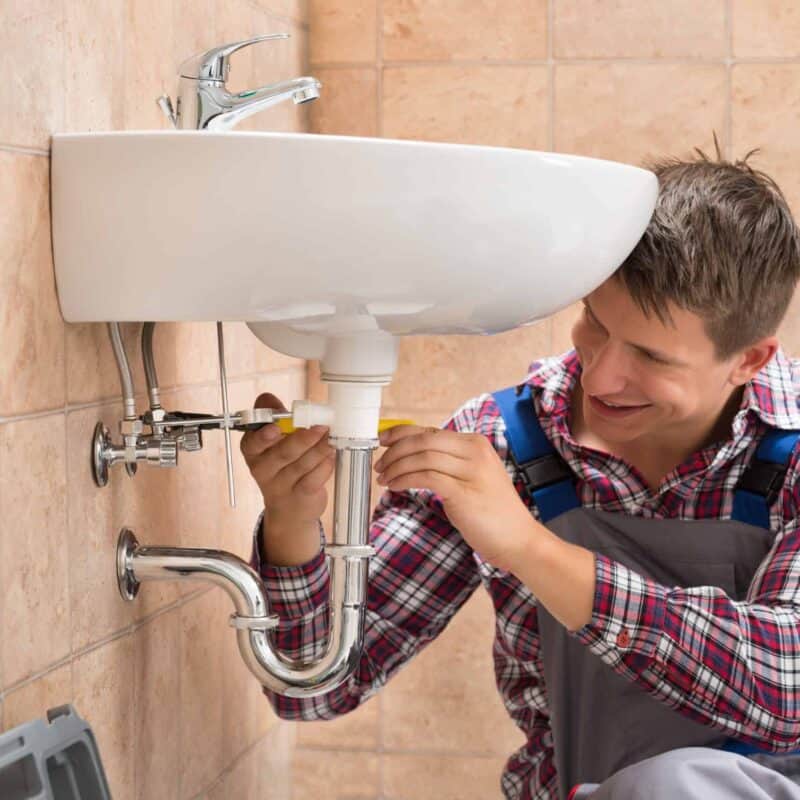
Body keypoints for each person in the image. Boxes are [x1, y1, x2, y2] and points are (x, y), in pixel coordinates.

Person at [240, 145, 800, 800]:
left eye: (651, 356)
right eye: (596, 321)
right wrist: (292, 523)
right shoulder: (502, 443)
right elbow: (316, 690)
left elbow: (787, 682)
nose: (602, 374)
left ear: (749, 361)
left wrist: (530, 548)